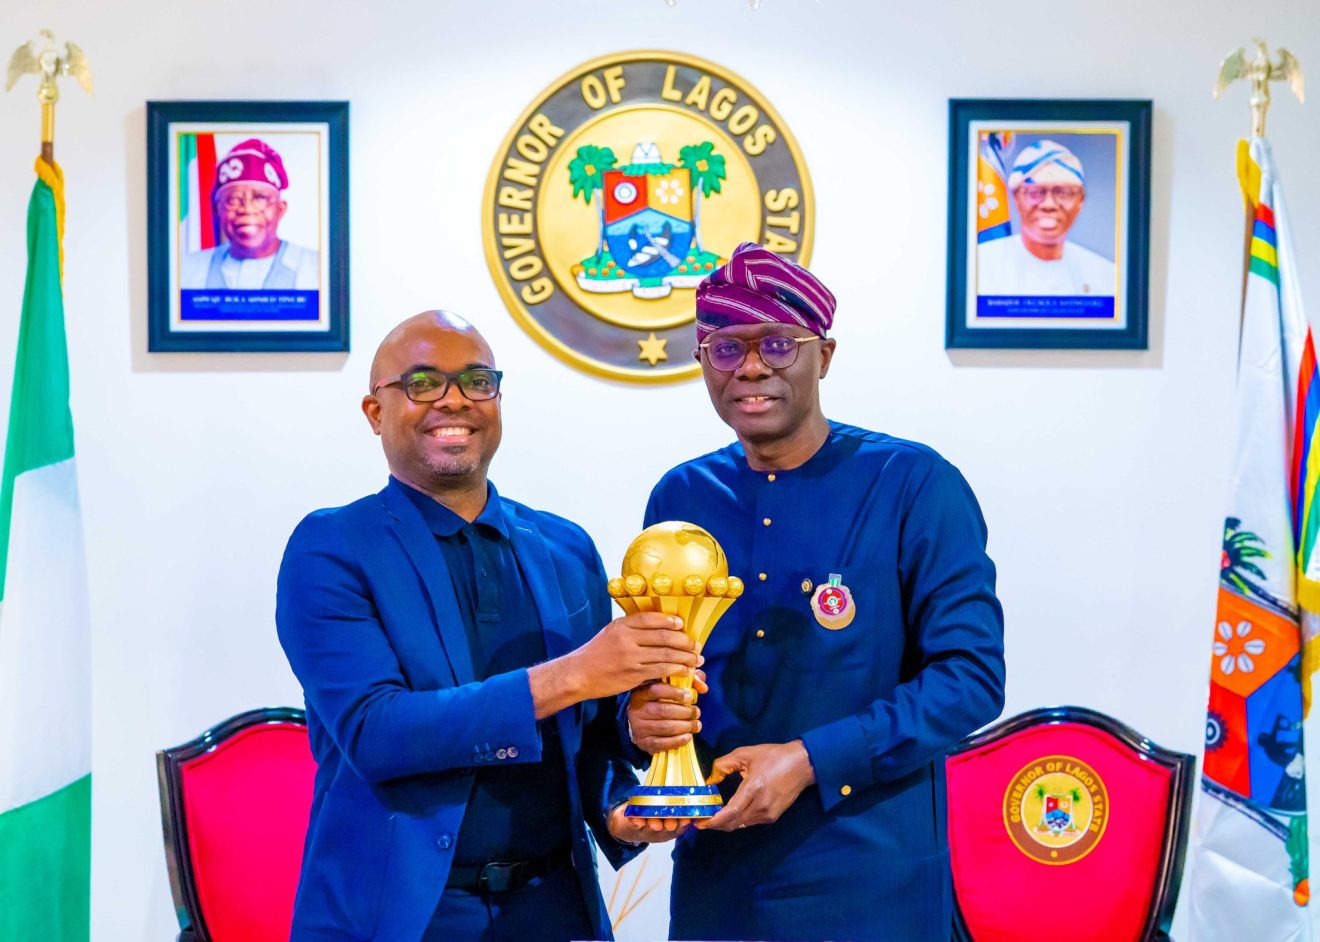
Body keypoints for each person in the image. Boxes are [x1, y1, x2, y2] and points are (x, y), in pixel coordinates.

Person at [626, 244, 1006, 941]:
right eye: (725, 348)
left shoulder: (913, 485)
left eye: (778, 344)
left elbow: (970, 680)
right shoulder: (680, 497)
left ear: (823, 356)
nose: (750, 367)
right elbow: (661, 665)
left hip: (869, 882)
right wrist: (642, 715)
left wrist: (809, 760)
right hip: (718, 882)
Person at [276, 311, 691, 942]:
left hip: (556, 909)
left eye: (477, 380)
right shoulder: (332, 547)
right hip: (402, 917)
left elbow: (589, 735)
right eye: (422, 383)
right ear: (374, 412)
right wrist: (574, 675)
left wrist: (619, 801)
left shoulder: (565, 548)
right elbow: (375, 732)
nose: (454, 400)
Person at [976, 139, 1116, 297]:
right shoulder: (979, 267)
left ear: (1081, 200)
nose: (1049, 204)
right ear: (1015, 197)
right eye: (1035, 192)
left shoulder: (1106, 277)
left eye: (1063, 193)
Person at [180, 138, 319, 290]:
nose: (246, 209)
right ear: (217, 210)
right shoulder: (185, 271)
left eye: (260, 198)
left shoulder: (318, 270)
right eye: (232, 200)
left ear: (280, 209)